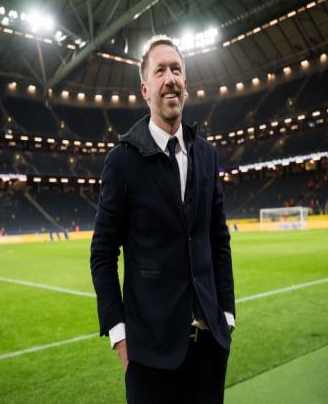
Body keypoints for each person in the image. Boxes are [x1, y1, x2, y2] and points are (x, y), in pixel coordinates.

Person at [90, 35, 235, 404]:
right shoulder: (122, 161)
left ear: (185, 82)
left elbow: (218, 239)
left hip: (210, 350)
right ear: (145, 89)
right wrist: (120, 337)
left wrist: (227, 315)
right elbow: (103, 254)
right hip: (149, 357)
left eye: (176, 70)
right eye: (160, 71)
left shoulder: (207, 155)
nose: (170, 78)